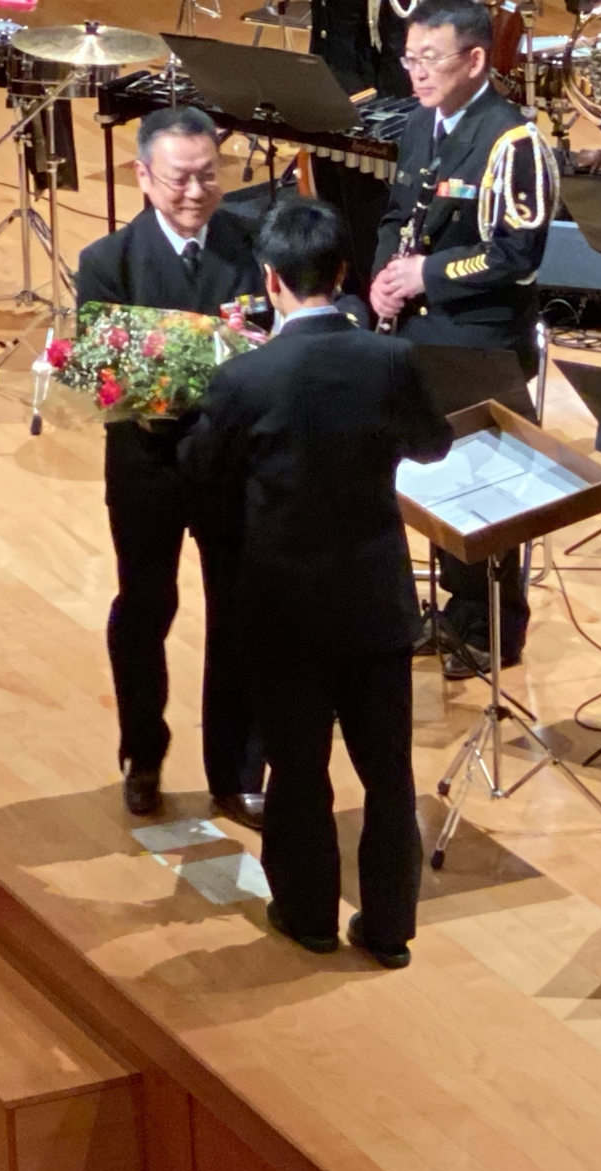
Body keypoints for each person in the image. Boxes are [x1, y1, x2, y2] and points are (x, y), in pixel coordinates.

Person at [181, 197, 453, 969]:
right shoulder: (391, 363)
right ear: (343, 273)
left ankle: (307, 917)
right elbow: (433, 444)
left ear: (269, 279)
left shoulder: (244, 377)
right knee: (389, 775)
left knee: (298, 771)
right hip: (376, 605)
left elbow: (202, 478)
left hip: (284, 609)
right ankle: (389, 929)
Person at [76, 107, 267, 829]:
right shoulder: (108, 261)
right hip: (148, 467)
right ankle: (143, 755)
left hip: (233, 466)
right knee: (146, 608)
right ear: (144, 176)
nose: (195, 191)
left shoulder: (254, 244)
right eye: (180, 177)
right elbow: (109, 375)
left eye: (208, 175)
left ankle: (239, 773)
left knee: (240, 615)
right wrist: (221, 354)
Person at [370, 0, 553, 680]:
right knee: (430, 479)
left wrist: (427, 274)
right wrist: (384, 278)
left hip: (480, 341)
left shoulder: (512, 142)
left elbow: (517, 255)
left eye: (430, 59)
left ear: (475, 60)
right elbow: (396, 214)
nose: (416, 72)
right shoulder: (423, 123)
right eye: (410, 58)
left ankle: (493, 628)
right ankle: (449, 611)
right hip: (418, 333)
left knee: (482, 493)